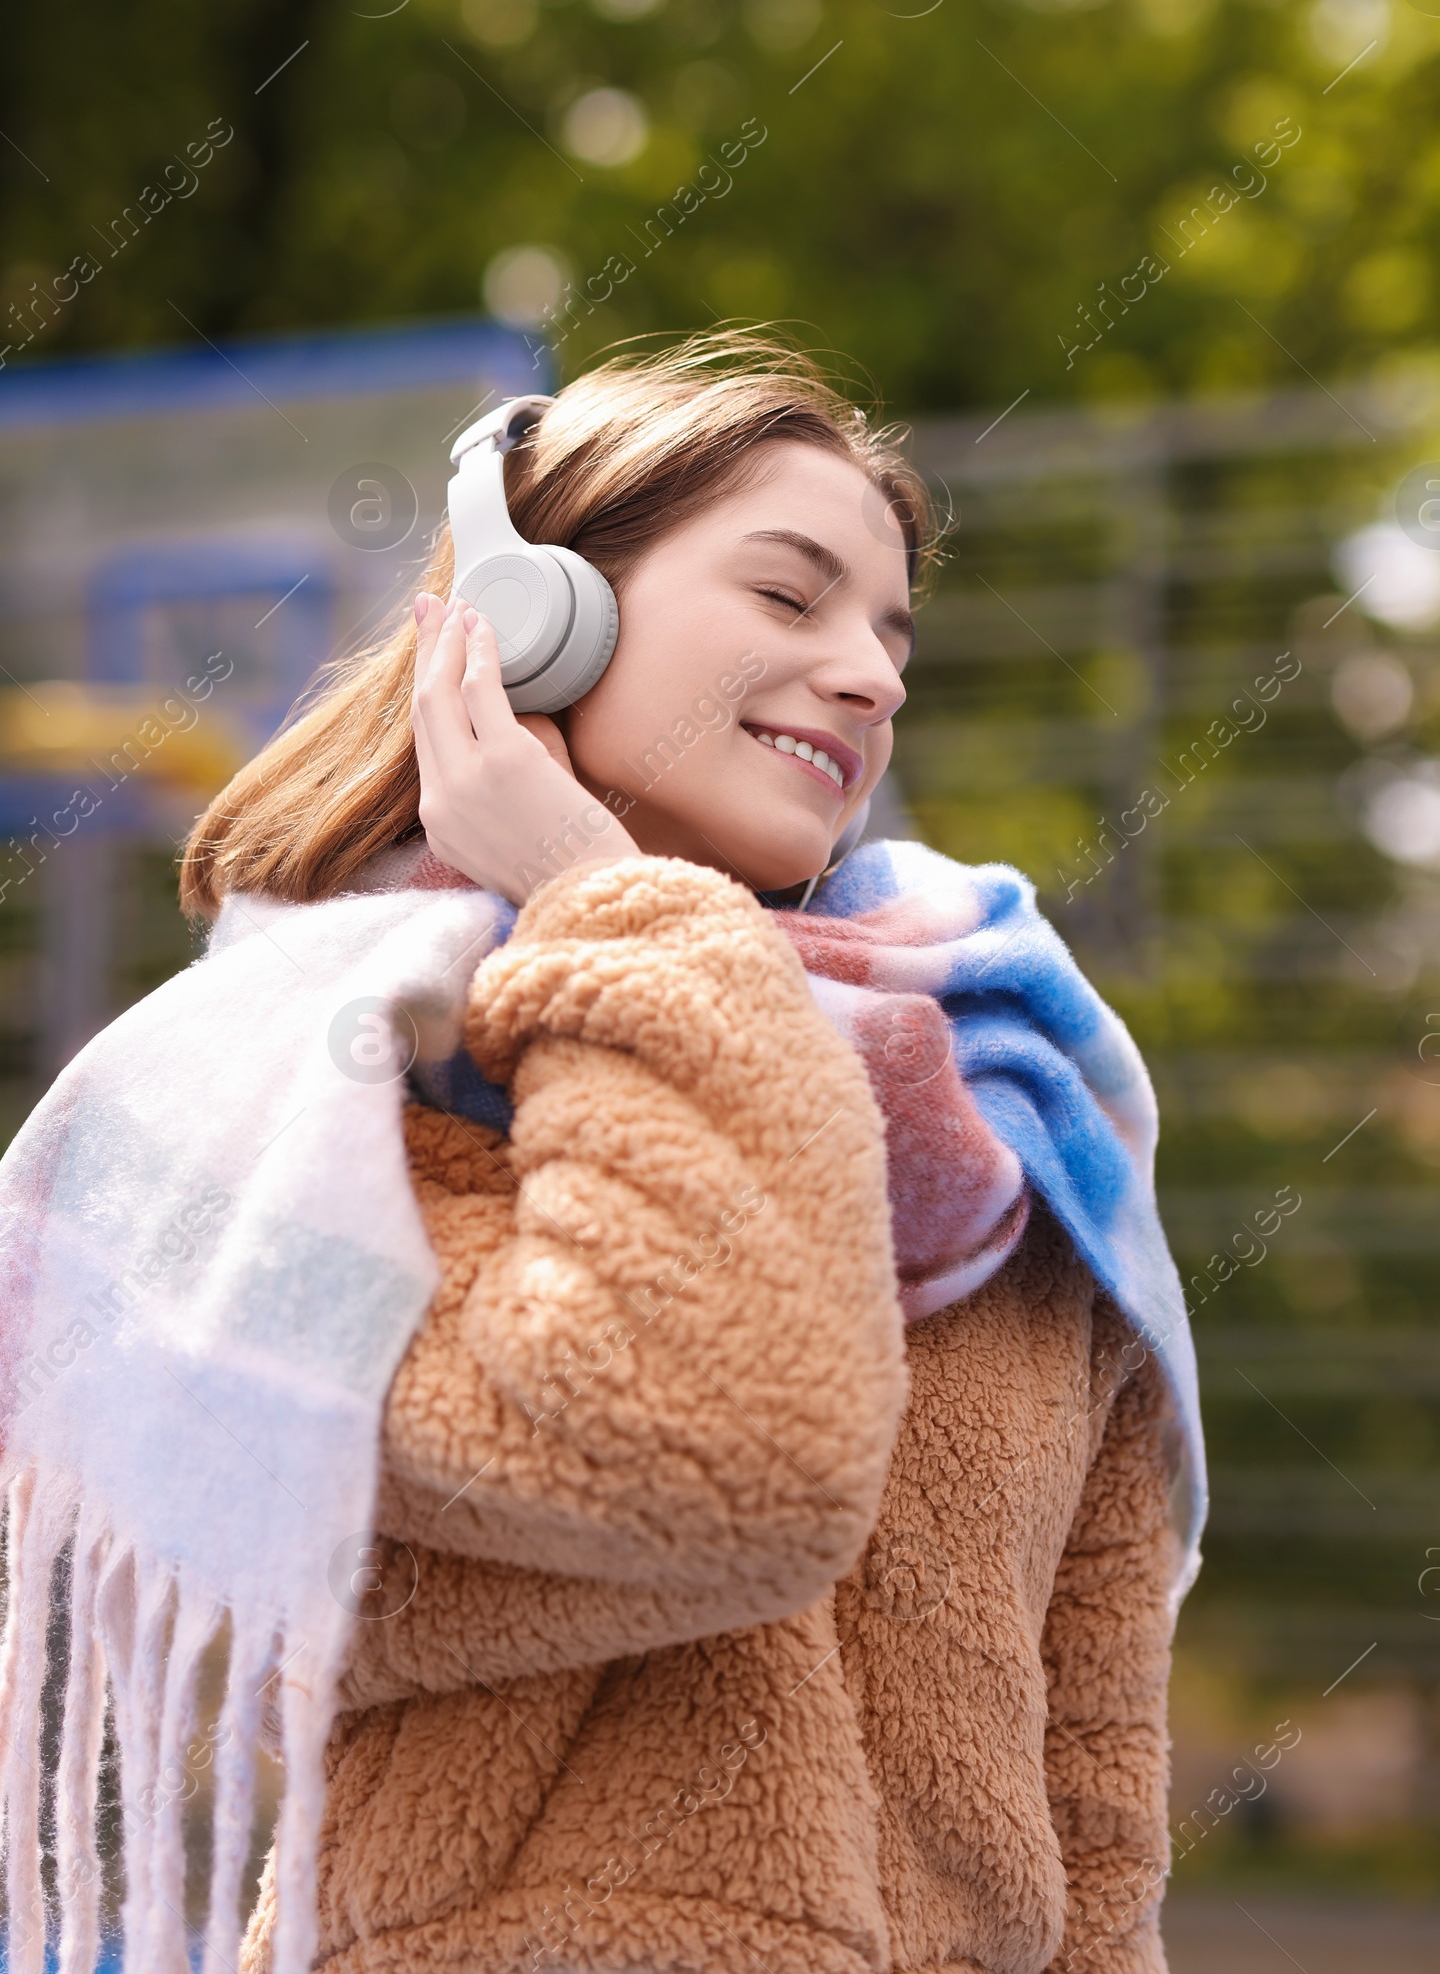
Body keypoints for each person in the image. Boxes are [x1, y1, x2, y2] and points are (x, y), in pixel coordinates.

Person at [178, 330, 1193, 1974]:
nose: (872, 674)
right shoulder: (349, 1081)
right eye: (791, 600)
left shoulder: (1013, 1096)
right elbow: (715, 1460)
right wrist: (601, 899)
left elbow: (1091, 1754)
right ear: (535, 618)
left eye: (889, 630)